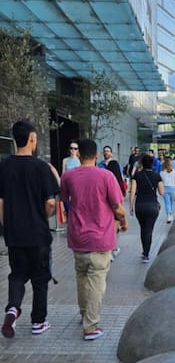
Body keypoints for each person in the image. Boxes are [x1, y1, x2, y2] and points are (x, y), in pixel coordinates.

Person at [59, 138, 128, 341]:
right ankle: (91, 326)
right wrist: (123, 220)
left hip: (77, 237)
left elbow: (65, 199)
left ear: (78, 154)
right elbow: (117, 207)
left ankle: (84, 315)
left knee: (81, 278)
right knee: (97, 282)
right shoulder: (106, 176)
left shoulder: (69, 176)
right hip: (100, 237)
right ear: (97, 155)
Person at [0, 120, 59, 337]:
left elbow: (1, 202)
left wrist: (9, 225)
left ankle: (13, 309)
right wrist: (42, 217)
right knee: (40, 278)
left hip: (15, 235)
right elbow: (52, 202)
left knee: (17, 275)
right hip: (38, 235)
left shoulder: (4, 166)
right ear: (32, 138)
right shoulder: (41, 167)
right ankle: (38, 322)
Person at [130, 154, 164, 263]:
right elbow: (161, 192)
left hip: (140, 205)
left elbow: (132, 192)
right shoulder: (157, 176)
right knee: (149, 230)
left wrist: (131, 206)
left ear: (142, 164)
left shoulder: (137, 176)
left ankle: (144, 252)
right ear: (152, 164)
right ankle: (146, 254)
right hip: (152, 205)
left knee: (143, 228)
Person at [159, 156, 175, 223]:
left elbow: (160, 181)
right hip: (172, 188)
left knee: (167, 203)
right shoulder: (174, 172)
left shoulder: (162, 172)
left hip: (165, 188)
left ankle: (169, 215)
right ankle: (171, 214)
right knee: (171, 202)